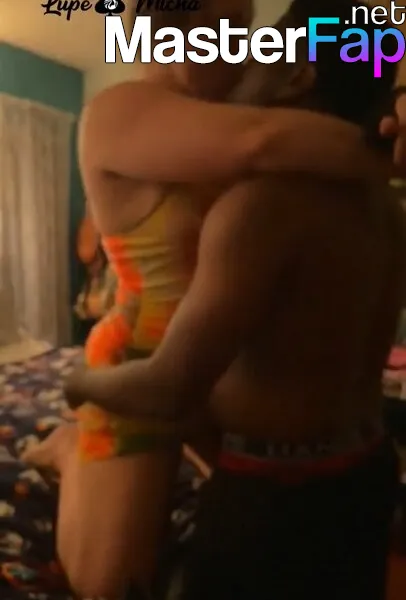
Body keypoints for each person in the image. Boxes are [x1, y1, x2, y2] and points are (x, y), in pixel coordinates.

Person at [23, 0, 406, 597]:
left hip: (220, 370)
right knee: (109, 586)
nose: (237, 44)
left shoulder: (255, 125)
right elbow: (261, 139)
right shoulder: (124, 108)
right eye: (219, 28)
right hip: (149, 356)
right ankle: (73, 451)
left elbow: (368, 32)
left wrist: (390, 95)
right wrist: (383, 147)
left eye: (242, 27)